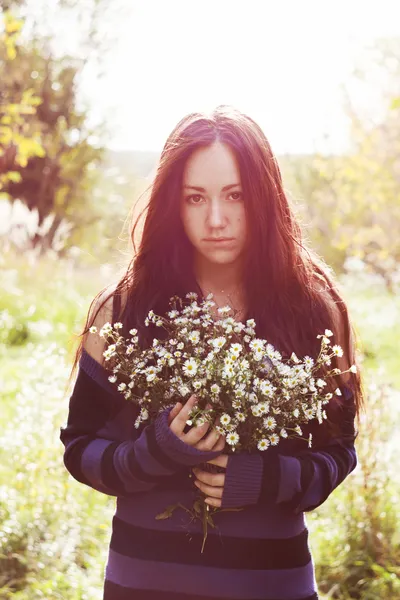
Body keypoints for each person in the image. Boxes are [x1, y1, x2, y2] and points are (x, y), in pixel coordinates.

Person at [60, 105, 362, 600]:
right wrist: (151, 454)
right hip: (145, 585)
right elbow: (79, 449)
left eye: (235, 196)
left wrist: (268, 479)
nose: (215, 219)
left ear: (264, 200)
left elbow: (338, 453)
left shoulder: (314, 310)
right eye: (195, 198)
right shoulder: (124, 309)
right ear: (172, 204)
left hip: (273, 584)